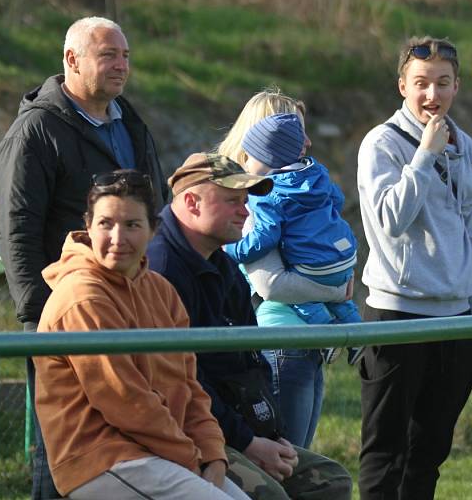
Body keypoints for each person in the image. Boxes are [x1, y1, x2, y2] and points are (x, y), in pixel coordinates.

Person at [0, 16, 166, 499]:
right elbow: (18, 227)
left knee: (127, 443)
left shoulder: (129, 123)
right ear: (71, 60)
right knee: (63, 449)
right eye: (108, 55)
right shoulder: (36, 131)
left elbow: (153, 212)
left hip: (132, 309)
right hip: (64, 319)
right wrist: (37, 319)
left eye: (126, 56)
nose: (121, 65)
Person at [147, 153, 352, 500]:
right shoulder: (161, 269)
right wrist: (247, 442)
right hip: (178, 433)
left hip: (229, 428)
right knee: (269, 494)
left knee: (331, 480)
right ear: (191, 203)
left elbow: (250, 362)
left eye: (246, 201)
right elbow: (178, 384)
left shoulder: (222, 263)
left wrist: (268, 435)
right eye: (233, 201)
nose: (246, 211)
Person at [33, 170, 246, 500]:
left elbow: (189, 384)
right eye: (106, 224)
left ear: (153, 230)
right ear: (88, 227)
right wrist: (191, 459)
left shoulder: (160, 290)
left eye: (132, 225)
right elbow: (124, 401)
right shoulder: (83, 297)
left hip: (163, 452)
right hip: (101, 457)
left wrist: (212, 452)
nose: (118, 238)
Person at [356, 35, 472, 499]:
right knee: (386, 450)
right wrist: (425, 155)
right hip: (398, 314)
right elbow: (390, 220)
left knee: (430, 450)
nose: (433, 95)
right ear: (401, 86)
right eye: (422, 83)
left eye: (443, 83)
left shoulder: (465, 143)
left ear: (457, 86)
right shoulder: (381, 143)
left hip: (456, 318)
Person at [217, 88, 351, 449]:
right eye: (298, 132)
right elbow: (271, 284)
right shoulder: (255, 197)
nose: (308, 142)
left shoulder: (291, 190)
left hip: (303, 343)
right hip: (279, 342)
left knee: (299, 458)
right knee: (288, 460)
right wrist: (337, 291)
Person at [223, 112, 363, 364]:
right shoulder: (318, 172)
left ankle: (326, 335)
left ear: (268, 158)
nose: (247, 162)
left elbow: (263, 239)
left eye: (250, 156)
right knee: (337, 295)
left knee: (303, 291)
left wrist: (230, 250)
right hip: (345, 256)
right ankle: (359, 336)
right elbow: (338, 200)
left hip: (313, 266)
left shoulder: (266, 193)